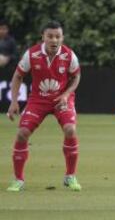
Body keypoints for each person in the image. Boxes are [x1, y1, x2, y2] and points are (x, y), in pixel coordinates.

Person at [6, 20, 82, 191]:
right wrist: (14, 101)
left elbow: (76, 77)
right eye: (50, 36)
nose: (54, 40)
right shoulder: (31, 54)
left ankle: (70, 176)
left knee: (70, 129)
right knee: (22, 134)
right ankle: (18, 180)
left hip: (61, 99)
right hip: (38, 100)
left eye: (58, 36)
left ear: (62, 38)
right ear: (43, 37)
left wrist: (66, 94)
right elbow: (18, 76)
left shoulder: (69, 55)